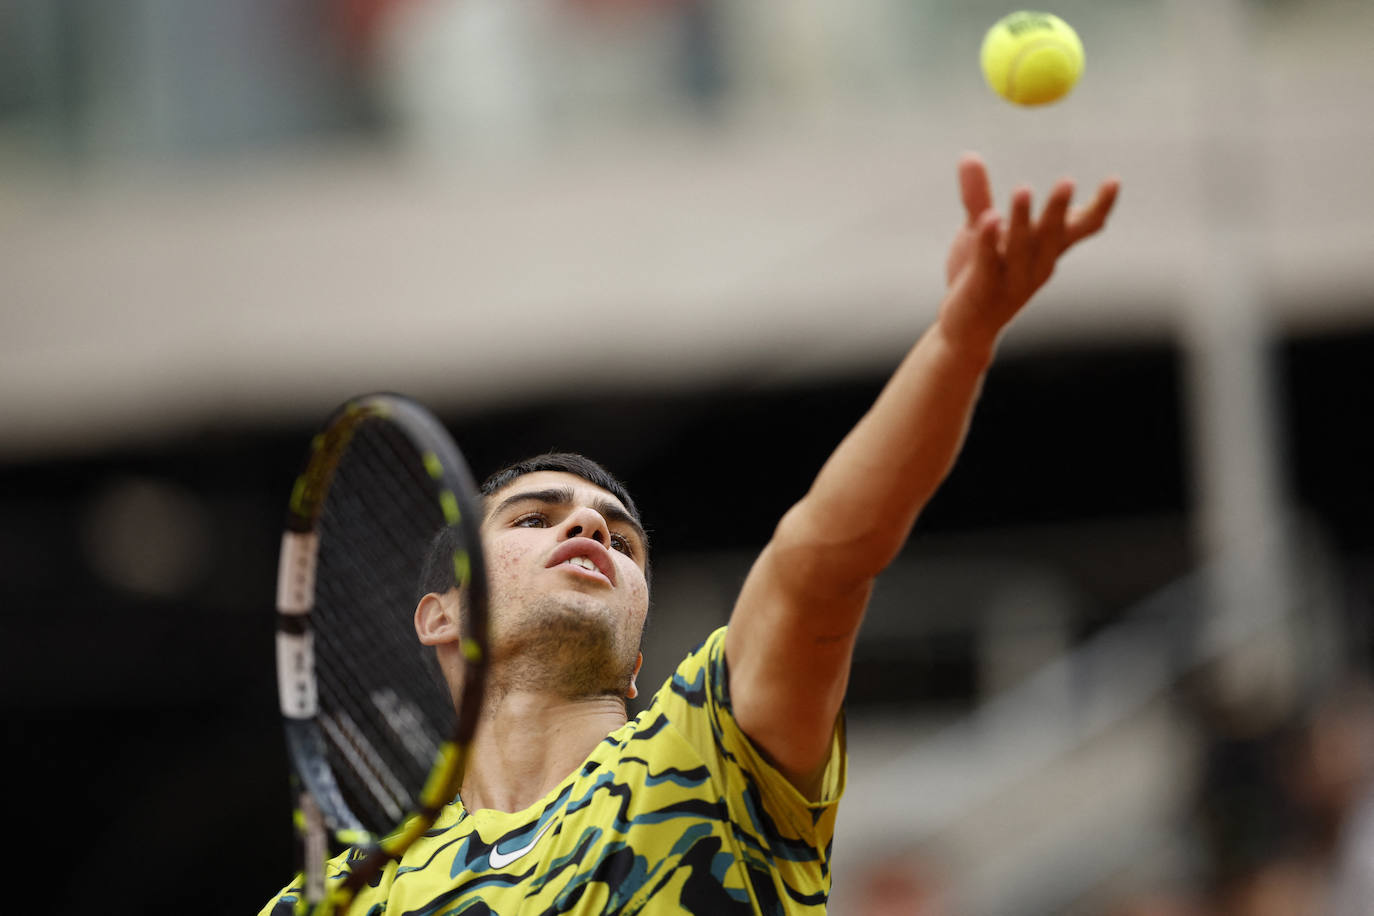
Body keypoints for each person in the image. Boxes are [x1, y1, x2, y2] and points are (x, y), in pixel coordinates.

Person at [260, 153, 1119, 915]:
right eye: (533, 518)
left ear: (637, 660)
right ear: (441, 615)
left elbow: (822, 561)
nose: (588, 522)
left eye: (622, 542)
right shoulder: (342, 900)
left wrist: (960, 342)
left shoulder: (712, 750)